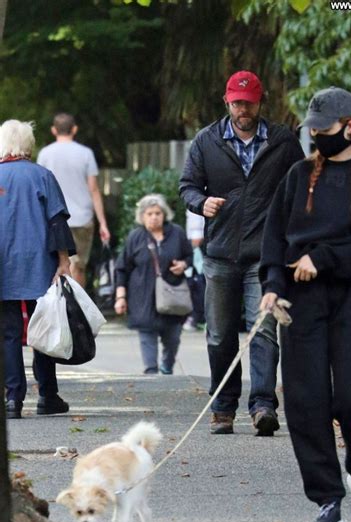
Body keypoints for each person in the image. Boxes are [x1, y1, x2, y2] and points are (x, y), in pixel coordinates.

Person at [259, 87, 351, 522]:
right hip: (300, 303)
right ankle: (327, 500)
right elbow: (274, 237)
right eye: (311, 129)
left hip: (350, 296)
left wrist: (325, 258)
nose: (316, 136)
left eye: (325, 129)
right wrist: (272, 286)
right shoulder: (298, 176)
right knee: (305, 402)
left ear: (350, 127)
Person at [180, 70, 305, 436]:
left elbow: (299, 187)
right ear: (227, 102)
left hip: (265, 257)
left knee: (263, 330)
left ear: (259, 102)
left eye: (248, 103)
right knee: (219, 335)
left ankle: (263, 405)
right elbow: (187, 186)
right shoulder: (206, 141)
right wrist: (201, 203)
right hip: (219, 254)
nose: (242, 109)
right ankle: (223, 408)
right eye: (237, 102)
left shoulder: (282, 142)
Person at [0, 120, 76, 419]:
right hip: (38, 265)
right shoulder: (42, 176)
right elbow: (57, 221)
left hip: (3, 266)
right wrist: (64, 261)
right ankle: (47, 395)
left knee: (8, 333)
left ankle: (12, 400)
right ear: (28, 144)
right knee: (43, 328)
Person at [114, 194, 193, 375]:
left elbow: (189, 256)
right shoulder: (136, 237)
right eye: (149, 213)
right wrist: (120, 297)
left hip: (172, 296)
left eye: (157, 213)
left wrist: (183, 265)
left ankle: (167, 366)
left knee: (172, 338)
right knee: (147, 336)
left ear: (164, 214)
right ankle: (151, 373)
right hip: (143, 298)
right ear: (142, 216)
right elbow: (122, 268)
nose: (154, 217)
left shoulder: (177, 233)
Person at [37, 113, 111, 288]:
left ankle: (59, 311)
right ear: (75, 129)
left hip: (53, 217)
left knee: (55, 265)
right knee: (78, 266)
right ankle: (76, 312)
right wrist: (103, 223)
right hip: (82, 218)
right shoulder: (85, 153)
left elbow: (40, 188)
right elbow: (93, 189)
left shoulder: (45, 154)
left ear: (54, 130)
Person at [183, 210, 206, 332]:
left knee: (197, 281)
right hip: (193, 240)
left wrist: (196, 234)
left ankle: (198, 317)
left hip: (196, 241)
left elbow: (195, 213)